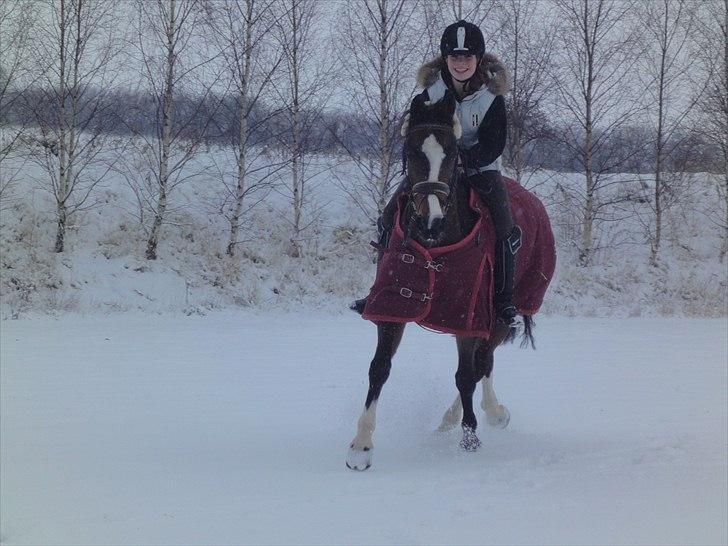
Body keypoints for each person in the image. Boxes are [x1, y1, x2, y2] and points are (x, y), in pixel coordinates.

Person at [353, 20, 522, 327]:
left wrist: (464, 159)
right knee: (389, 216)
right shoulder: (431, 91)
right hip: (435, 169)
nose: (461, 63)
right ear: (446, 59)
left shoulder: (491, 96)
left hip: (481, 169)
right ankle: (378, 291)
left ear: (478, 59)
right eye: (455, 57)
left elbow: (495, 144)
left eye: (467, 57)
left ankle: (504, 301)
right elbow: (418, 131)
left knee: (506, 229)